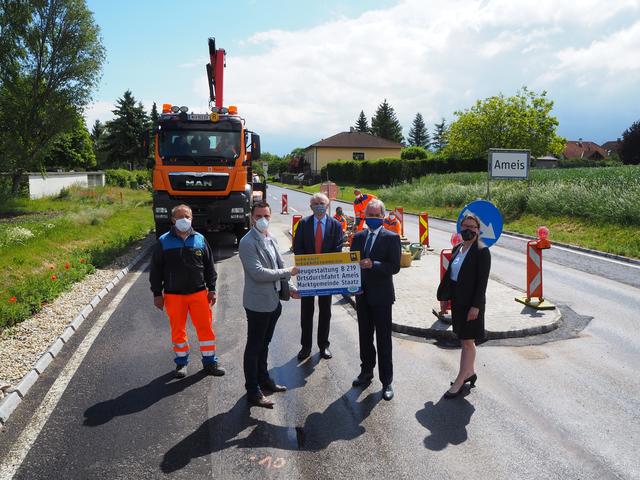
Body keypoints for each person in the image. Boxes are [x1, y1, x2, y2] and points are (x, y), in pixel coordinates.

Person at [150, 204, 225, 378]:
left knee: (205, 329)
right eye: (180, 216)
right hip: (173, 295)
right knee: (178, 330)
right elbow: (156, 270)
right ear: (173, 219)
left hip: (199, 294)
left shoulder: (199, 239)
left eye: (188, 216)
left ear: (192, 219)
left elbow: (209, 267)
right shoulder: (163, 241)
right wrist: (156, 294)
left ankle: (209, 362)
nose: (185, 220)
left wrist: (212, 289)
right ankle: (181, 363)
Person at [238, 201, 300, 408]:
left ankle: (264, 380)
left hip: (273, 302)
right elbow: (257, 273)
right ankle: (253, 390)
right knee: (254, 347)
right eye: (258, 216)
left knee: (264, 344)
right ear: (251, 217)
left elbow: (280, 266)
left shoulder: (271, 238)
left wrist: (290, 287)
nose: (263, 220)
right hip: (257, 304)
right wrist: (287, 273)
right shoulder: (247, 242)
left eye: (266, 215)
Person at [350, 199, 401, 401]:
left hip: (382, 297)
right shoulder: (359, 236)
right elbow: (351, 264)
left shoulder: (391, 238)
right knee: (364, 336)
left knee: (383, 339)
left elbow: (394, 267)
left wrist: (374, 264)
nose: (372, 219)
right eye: (369, 215)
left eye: (376, 216)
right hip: (362, 295)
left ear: (382, 217)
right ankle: (366, 372)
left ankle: (386, 381)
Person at [436, 213, 491, 398]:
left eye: (472, 227)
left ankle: (460, 380)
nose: (468, 230)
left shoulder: (482, 251)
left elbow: (482, 283)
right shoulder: (458, 248)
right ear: (460, 228)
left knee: (467, 342)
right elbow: (451, 277)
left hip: (472, 305)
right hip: (458, 303)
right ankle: (470, 373)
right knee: (465, 340)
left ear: (478, 230)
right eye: (465, 226)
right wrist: (445, 299)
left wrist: (476, 307)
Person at [293, 192, 344, 360]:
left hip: (326, 277)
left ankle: (324, 346)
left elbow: (338, 247)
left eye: (322, 203)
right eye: (315, 204)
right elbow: (298, 246)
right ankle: (305, 347)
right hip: (308, 276)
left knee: (325, 312)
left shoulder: (336, 225)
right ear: (311, 207)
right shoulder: (303, 223)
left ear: (327, 205)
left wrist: (324, 265)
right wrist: (308, 265)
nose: (319, 206)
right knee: (306, 312)